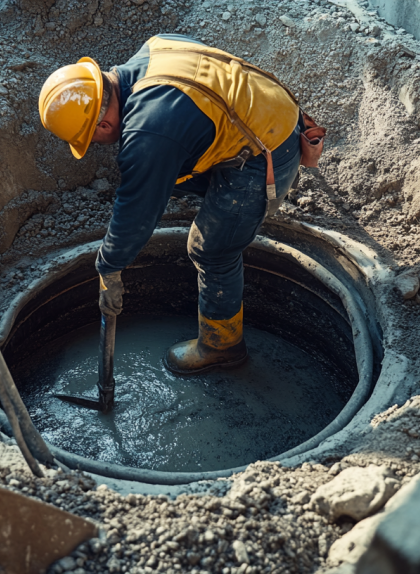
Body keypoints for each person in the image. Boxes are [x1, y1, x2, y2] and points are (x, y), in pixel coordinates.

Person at [38, 34, 311, 375]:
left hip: (266, 150)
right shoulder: (155, 46)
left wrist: (109, 266)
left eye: (90, 139)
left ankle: (221, 347)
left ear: (103, 124)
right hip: (271, 110)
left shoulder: (147, 136)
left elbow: (137, 210)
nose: (97, 145)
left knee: (210, 249)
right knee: (174, 175)